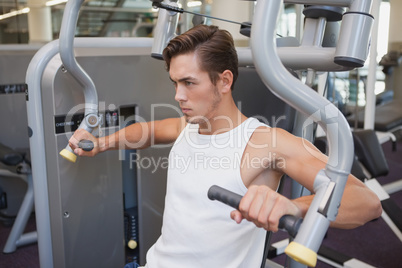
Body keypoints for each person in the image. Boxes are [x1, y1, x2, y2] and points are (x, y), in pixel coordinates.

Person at [68, 25, 382, 267]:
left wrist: (292, 206)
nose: (178, 95)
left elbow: (366, 203)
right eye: (175, 83)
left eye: (189, 83)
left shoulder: (266, 142)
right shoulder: (188, 125)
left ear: (225, 81)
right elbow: (146, 131)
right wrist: (101, 143)